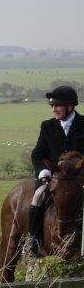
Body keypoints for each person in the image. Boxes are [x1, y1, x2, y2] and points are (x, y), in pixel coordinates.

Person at [27, 85, 84, 254]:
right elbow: (38, 153)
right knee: (37, 197)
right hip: (54, 178)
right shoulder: (47, 126)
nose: (54, 109)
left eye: (58, 106)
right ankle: (33, 242)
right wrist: (43, 171)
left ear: (70, 106)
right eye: (52, 106)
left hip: (79, 179)